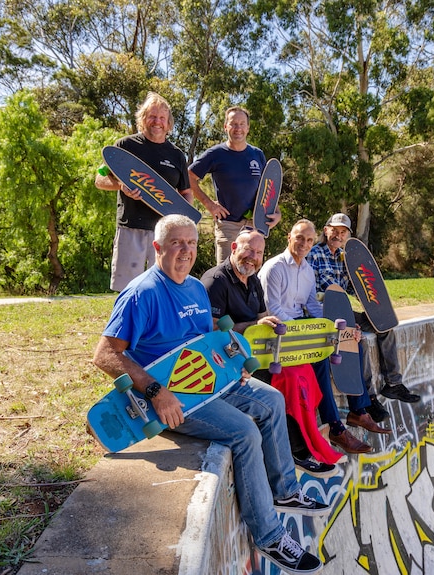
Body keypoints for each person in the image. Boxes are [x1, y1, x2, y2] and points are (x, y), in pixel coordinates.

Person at [92, 214, 326, 575]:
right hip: (172, 400)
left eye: (191, 243)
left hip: (211, 384)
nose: (185, 251)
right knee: (244, 433)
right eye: (176, 243)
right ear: (157, 247)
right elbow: (105, 354)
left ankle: (285, 490)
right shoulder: (142, 293)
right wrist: (156, 392)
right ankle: (269, 536)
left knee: (272, 401)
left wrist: (236, 364)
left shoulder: (196, 289)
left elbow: (211, 337)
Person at [201, 227, 340, 477]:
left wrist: (271, 324)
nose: (252, 257)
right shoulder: (216, 281)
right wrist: (252, 327)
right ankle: (298, 451)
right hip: (227, 360)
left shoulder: (253, 280)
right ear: (233, 248)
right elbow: (209, 331)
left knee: (303, 372)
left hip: (258, 354)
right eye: (248, 250)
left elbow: (264, 317)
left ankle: (310, 442)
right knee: (285, 382)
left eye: (258, 252)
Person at [257, 220, 390, 455]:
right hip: (278, 331)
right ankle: (336, 426)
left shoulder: (306, 270)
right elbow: (272, 308)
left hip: (301, 327)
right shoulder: (274, 267)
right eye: (300, 238)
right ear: (289, 236)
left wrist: (339, 325)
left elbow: (312, 306)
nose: (304, 244)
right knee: (320, 358)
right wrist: (306, 329)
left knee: (351, 342)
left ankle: (358, 411)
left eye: (309, 240)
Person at [306, 213, 421, 423]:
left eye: (343, 232)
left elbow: (355, 288)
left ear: (347, 235)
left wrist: (375, 304)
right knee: (360, 341)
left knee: (383, 326)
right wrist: (345, 318)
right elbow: (310, 293)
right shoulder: (314, 254)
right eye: (334, 230)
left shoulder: (344, 257)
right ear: (326, 230)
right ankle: (369, 398)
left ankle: (393, 384)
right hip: (325, 314)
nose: (338, 235)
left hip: (345, 312)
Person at [95, 92, 193, 292]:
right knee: (128, 289)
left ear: (168, 123)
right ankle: (127, 323)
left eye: (162, 118)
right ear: (143, 119)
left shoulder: (176, 155)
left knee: (165, 287)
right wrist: (120, 186)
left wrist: (185, 221)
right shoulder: (126, 146)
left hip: (166, 233)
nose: (157, 122)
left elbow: (186, 192)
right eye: (152, 116)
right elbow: (100, 179)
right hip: (131, 228)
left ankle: (160, 324)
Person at [189, 106, 282, 263]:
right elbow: (189, 176)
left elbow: (268, 186)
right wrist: (210, 205)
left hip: (254, 225)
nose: (238, 128)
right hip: (228, 225)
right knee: (224, 275)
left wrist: (276, 212)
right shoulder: (215, 154)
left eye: (242, 123)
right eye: (233, 124)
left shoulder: (257, 154)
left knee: (250, 272)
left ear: (248, 127)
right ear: (226, 126)